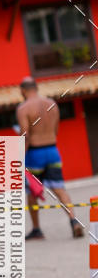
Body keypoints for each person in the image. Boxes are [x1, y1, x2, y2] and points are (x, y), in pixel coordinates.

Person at [17, 77, 84, 240]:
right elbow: (56, 130)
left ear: (23, 90)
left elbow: (25, 134)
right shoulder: (52, 104)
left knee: (32, 192)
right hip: (53, 150)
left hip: (34, 153)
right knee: (60, 189)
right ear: (36, 87)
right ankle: (73, 221)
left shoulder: (23, 108)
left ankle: (37, 229)